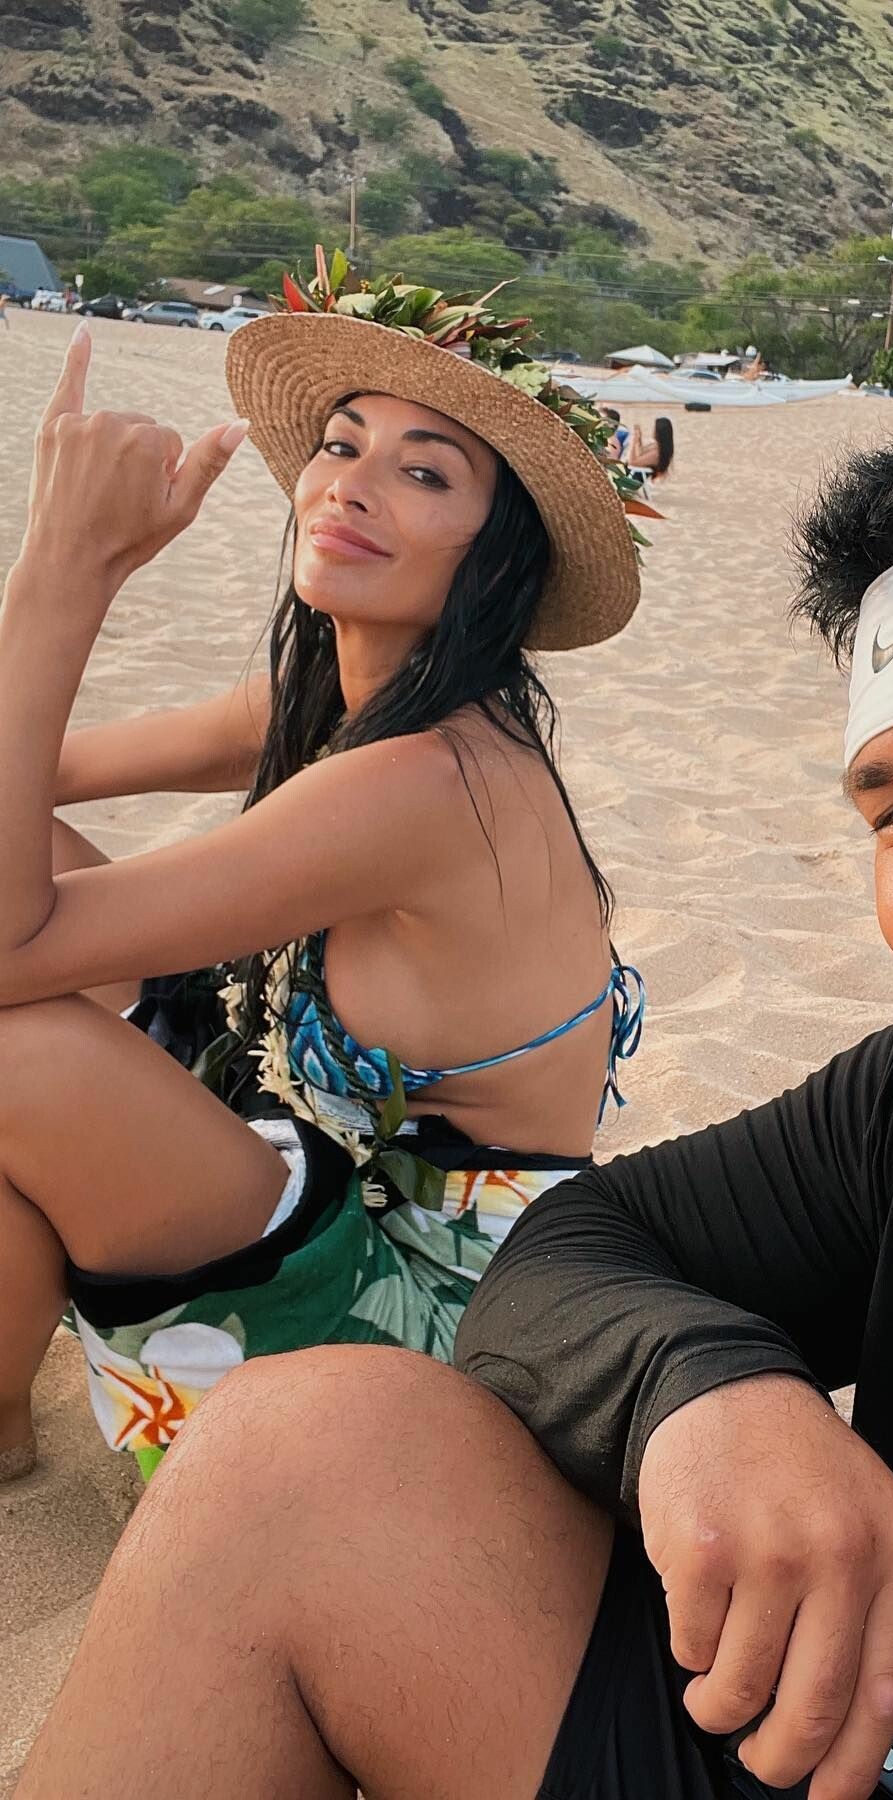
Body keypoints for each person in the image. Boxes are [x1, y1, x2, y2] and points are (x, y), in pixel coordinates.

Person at [22, 406, 893, 1800]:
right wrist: (703, 1387)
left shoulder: (440, 770)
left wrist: (63, 571)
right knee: (298, 1450)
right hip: (815, 1743)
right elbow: (578, 1245)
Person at [0, 261, 646, 1483]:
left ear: (497, 556)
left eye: (424, 473)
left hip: (433, 1305)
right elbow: (32, 780)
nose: (348, 484)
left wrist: (65, 572)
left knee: (18, 1046)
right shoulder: (329, 704)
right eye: (342, 445)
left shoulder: (429, 782)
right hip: (317, 1154)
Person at [627, 414, 675, 478]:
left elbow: (632, 462)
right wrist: (638, 439)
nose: (652, 431)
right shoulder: (656, 446)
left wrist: (634, 441)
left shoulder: (656, 453)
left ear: (658, 432)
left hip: (634, 477)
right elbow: (640, 453)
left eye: (654, 429)